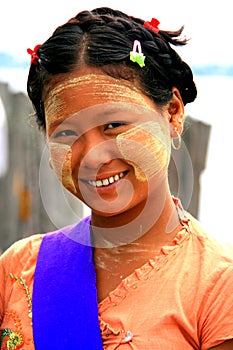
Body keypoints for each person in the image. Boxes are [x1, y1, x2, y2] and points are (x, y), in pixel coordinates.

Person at [1, 7, 233, 350]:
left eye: (114, 125)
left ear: (172, 112)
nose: (93, 156)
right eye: (65, 133)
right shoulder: (19, 269)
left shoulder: (217, 287)